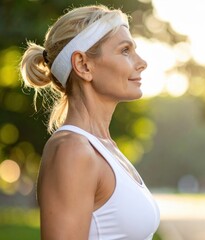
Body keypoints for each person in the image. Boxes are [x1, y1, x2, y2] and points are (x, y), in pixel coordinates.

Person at [19, 4, 160, 240]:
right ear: (84, 65)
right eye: (125, 50)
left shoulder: (106, 148)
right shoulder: (72, 151)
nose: (142, 62)